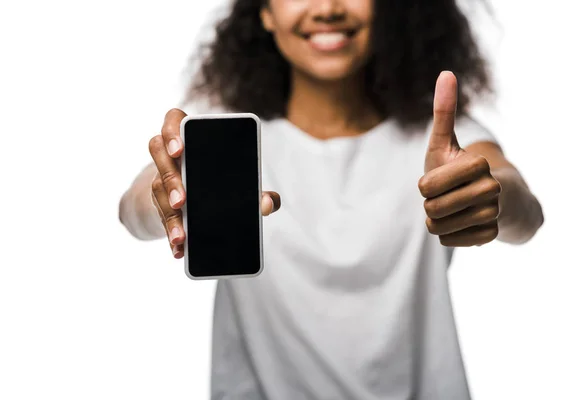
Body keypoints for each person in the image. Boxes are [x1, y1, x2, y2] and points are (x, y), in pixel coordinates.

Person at [119, 0, 544, 398]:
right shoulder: (228, 141)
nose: (326, 9)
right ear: (264, 11)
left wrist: (492, 202)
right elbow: (133, 209)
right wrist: (168, 198)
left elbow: (520, 206)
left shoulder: (439, 139)